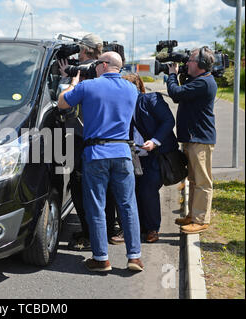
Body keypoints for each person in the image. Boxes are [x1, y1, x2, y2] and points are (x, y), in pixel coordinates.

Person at [58, 51, 143, 272]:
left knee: (96, 206)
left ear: (104, 65)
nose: (94, 67)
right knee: (128, 205)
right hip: (123, 152)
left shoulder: (88, 86)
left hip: (96, 153)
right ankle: (134, 257)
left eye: (97, 64)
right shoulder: (131, 89)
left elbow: (62, 103)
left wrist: (73, 81)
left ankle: (101, 258)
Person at [57, 34, 124, 251]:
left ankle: (89, 235)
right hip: (111, 140)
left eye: (79, 50)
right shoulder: (105, 73)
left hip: (82, 138)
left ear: (84, 51)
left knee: (81, 187)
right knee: (108, 189)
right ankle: (110, 229)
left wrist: (66, 78)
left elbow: (63, 104)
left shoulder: (81, 74)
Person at [123, 73, 179, 243]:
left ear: (136, 87)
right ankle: (137, 227)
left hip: (154, 155)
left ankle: (152, 229)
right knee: (131, 191)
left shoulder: (151, 99)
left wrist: (155, 141)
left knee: (147, 190)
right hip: (130, 156)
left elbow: (168, 121)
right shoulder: (119, 104)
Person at [167, 47, 217, 234]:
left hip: (200, 139)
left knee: (202, 181)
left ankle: (201, 219)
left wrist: (172, 74)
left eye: (191, 61)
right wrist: (180, 73)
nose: (187, 63)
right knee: (193, 180)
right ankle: (193, 215)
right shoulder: (198, 80)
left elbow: (176, 94)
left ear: (202, 65)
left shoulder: (204, 83)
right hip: (193, 137)